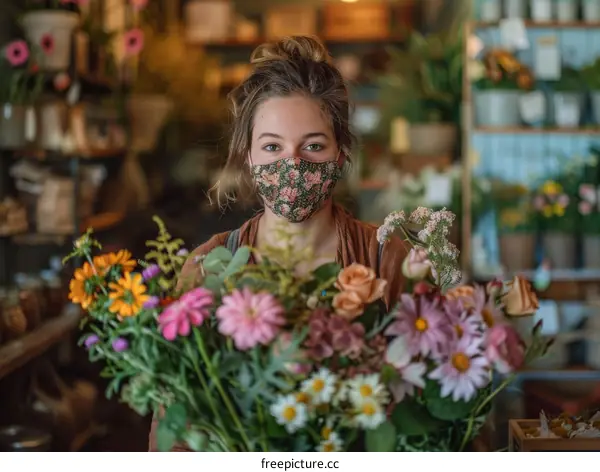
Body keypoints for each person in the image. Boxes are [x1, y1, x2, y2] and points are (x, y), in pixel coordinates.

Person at [148, 35, 408, 452]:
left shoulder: (388, 259)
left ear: (340, 153)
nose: (293, 165)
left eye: (313, 146)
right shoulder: (208, 266)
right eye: (272, 147)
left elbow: (429, 410)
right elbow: (175, 429)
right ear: (248, 157)